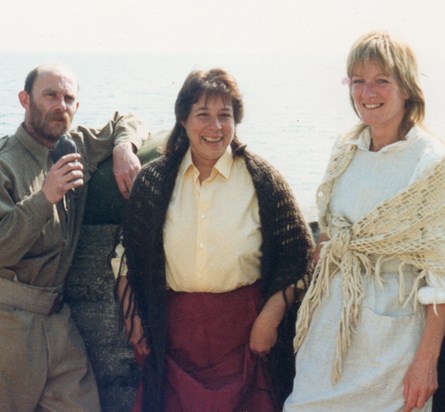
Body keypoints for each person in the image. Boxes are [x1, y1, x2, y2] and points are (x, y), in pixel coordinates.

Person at [116, 68, 314, 411]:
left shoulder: (262, 180)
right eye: (203, 115)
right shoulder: (153, 182)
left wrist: (270, 317)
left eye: (225, 115)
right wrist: (134, 322)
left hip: (247, 341)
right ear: (183, 118)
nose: (216, 126)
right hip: (173, 341)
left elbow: (299, 256)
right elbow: (125, 257)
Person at [284, 31, 445, 412]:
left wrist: (426, 361)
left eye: (381, 80)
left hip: (391, 345)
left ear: (406, 87)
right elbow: (329, 231)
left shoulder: (430, 164)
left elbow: (441, 276)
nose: (367, 92)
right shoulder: (345, 149)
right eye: (358, 80)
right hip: (329, 334)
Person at [0, 62, 148, 411]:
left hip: (58, 321)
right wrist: (44, 198)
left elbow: (129, 119)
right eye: (50, 95)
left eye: (69, 98)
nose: (60, 106)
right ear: (25, 99)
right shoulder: (5, 163)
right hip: (8, 325)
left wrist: (123, 148)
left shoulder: (75, 145)